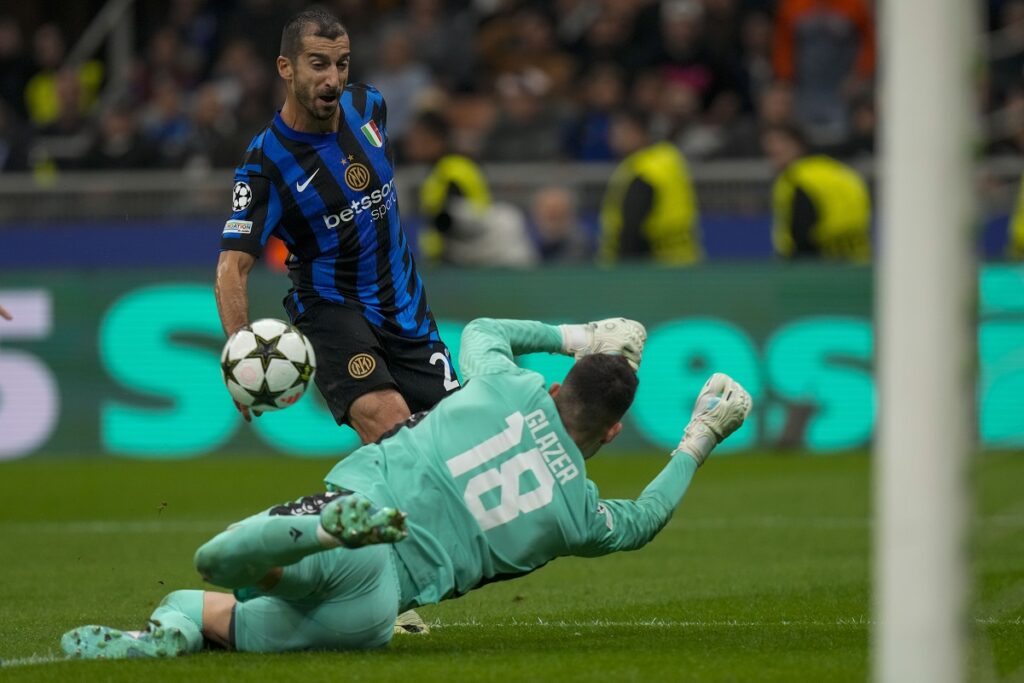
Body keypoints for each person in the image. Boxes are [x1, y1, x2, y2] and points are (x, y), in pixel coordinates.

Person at [60, 316, 752, 657]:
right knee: (209, 611)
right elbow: (643, 519)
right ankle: (166, 637)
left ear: (555, 385)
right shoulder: (579, 513)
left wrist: (575, 333)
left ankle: (325, 527)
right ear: (614, 433)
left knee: (215, 563)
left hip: (354, 529)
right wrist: (699, 438)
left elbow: (483, 329)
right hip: (378, 607)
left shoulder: (504, 381)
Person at [214, 8, 459, 443]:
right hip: (332, 310)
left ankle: (371, 508)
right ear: (286, 68)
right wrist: (240, 350)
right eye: (318, 64)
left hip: (406, 308)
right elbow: (233, 267)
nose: (333, 78)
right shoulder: (265, 165)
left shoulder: (369, 106)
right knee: (396, 428)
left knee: (458, 444)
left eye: (341, 63)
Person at [599, 110, 702, 264]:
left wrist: (623, 272)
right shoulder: (670, 159)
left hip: (652, 270)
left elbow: (632, 229)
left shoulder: (643, 172)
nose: (613, 138)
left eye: (619, 132)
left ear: (636, 132)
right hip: (684, 262)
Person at [761, 124, 871, 261]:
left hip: (817, 268)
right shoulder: (841, 171)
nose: (771, 148)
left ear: (797, 144)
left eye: (779, 143)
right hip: (858, 264)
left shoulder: (795, 179)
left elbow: (801, 233)